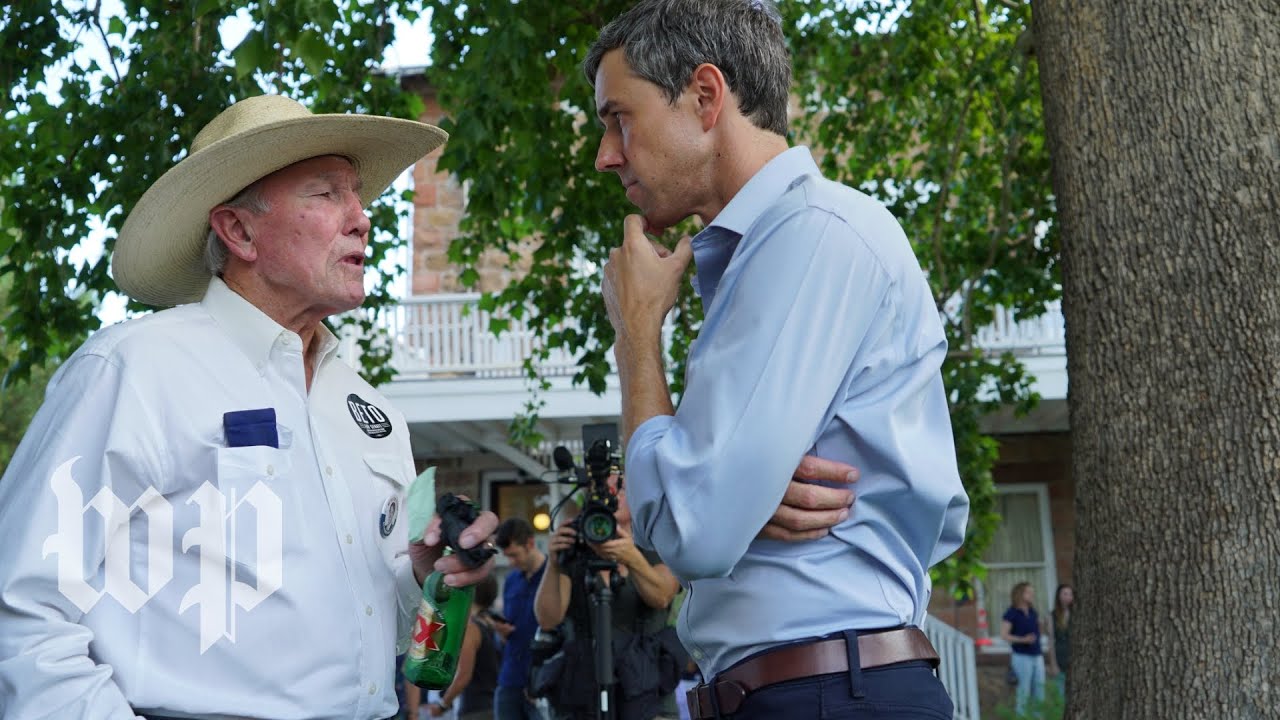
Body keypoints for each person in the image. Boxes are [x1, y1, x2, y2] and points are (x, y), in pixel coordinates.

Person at [0, 94, 499, 720]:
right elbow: (21, 606)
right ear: (237, 231)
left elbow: (375, 631)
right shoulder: (135, 368)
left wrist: (422, 574)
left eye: (358, 196)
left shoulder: (366, 408)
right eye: (325, 194)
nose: (361, 218)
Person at [587, 1, 971, 718]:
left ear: (706, 97)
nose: (607, 153)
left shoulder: (811, 234)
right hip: (813, 687)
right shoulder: (767, 255)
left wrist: (638, 333)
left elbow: (688, 530)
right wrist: (742, 492)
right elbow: (702, 510)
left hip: (827, 690)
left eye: (619, 118)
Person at [533, 474, 685, 720]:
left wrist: (631, 557)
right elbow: (548, 619)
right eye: (603, 487)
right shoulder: (575, 548)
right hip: (583, 694)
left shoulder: (655, 543)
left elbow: (661, 597)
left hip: (646, 694)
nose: (612, 493)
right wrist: (554, 564)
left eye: (621, 486)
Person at [494, 518, 550, 720]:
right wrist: (500, 633)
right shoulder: (511, 580)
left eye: (514, 555)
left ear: (530, 544)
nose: (511, 562)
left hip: (544, 678)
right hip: (510, 678)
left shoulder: (553, 576)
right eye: (507, 557)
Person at [425, 574, 503, 720]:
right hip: (491, 704)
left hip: (473, 709)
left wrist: (442, 704)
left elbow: (463, 675)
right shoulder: (491, 623)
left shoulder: (471, 629)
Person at [1001, 582, 1048, 714]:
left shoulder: (1033, 611)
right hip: (1022, 657)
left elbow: (1039, 632)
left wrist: (1043, 626)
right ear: (1020, 594)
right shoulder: (1012, 613)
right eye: (1028, 592)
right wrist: (1023, 639)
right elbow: (1004, 635)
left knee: (1039, 693)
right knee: (1023, 694)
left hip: (1037, 655)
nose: (1032, 595)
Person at [1050, 583, 1073, 699]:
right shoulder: (1052, 616)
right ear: (1058, 596)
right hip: (1060, 658)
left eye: (1070, 594)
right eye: (1065, 594)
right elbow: (1051, 641)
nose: (1068, 597)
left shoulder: (1078, 614)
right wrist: (1053, 664)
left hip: (1074, 657)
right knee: (1061, 696)